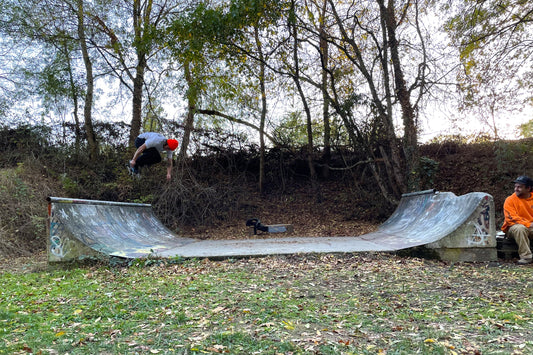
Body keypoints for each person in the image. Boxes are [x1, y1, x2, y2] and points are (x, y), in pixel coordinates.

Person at [501, 175, 533, 264]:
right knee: (520, 228)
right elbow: (511, 219)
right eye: (515, 186)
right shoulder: (510, 200)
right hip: (513, 228)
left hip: (530, 227)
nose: (516, 189)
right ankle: (526, 257)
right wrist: (528, 224)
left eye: (519, 187)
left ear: (528, 188)